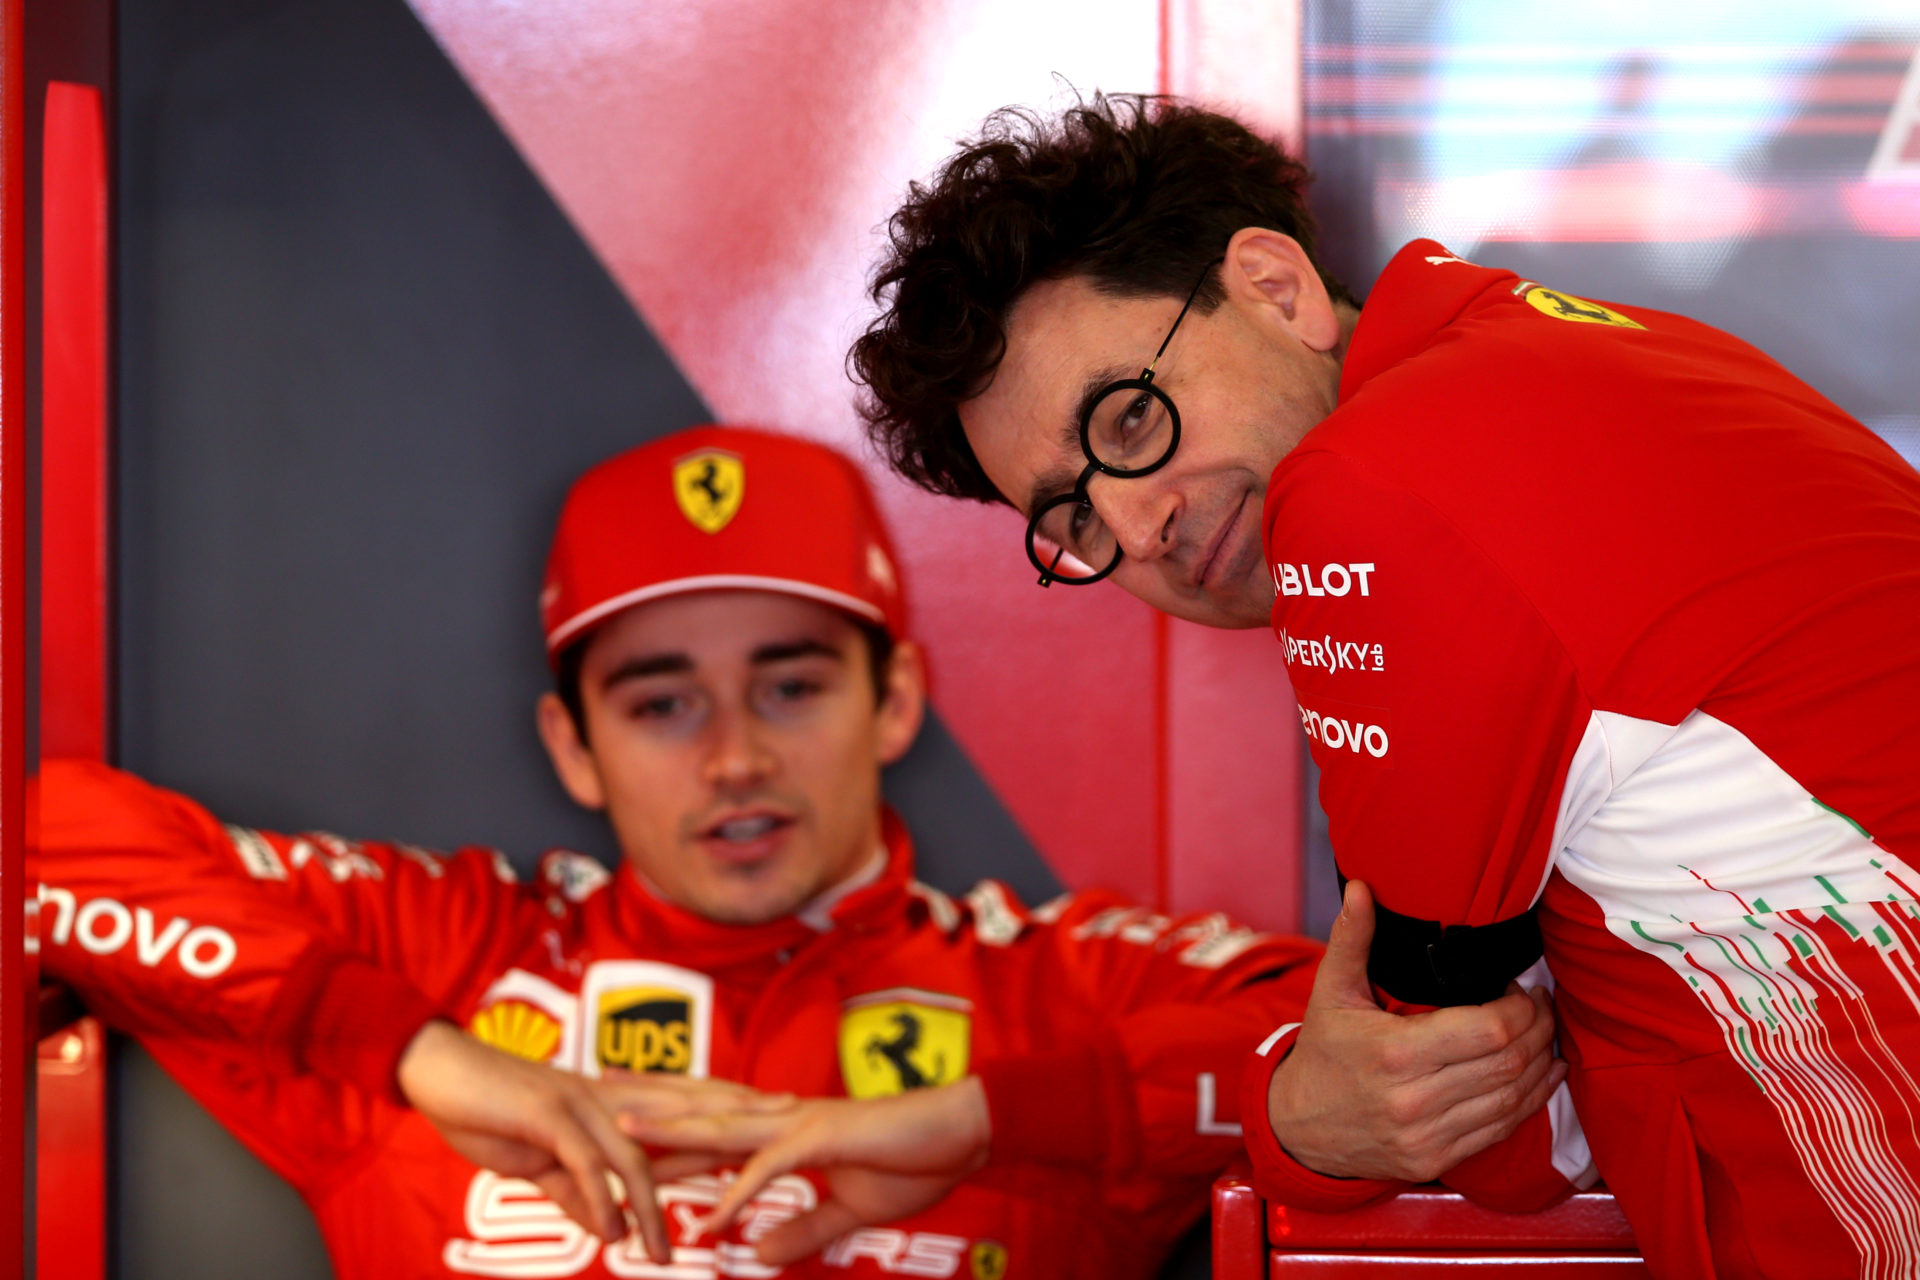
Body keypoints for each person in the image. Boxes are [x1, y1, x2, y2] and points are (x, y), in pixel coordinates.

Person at [812, 94, 1920, 1279]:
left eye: (1129, 418)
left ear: (1277, 288)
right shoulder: (1581, 353)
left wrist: (1293, 1122)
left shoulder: (1373, 490)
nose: (1139, 525)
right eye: (1073, 517)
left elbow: (1476, 1129)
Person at [33, 425, 1556, 1279]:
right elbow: (40, 841)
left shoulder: (1058, 981)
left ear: (893, 698)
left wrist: (983, 1115)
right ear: (572, 747)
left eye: (791, 683)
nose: (737, 757)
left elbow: (1405, 1067)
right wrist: (431, 1059)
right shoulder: (446, 951)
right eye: (660, 701)